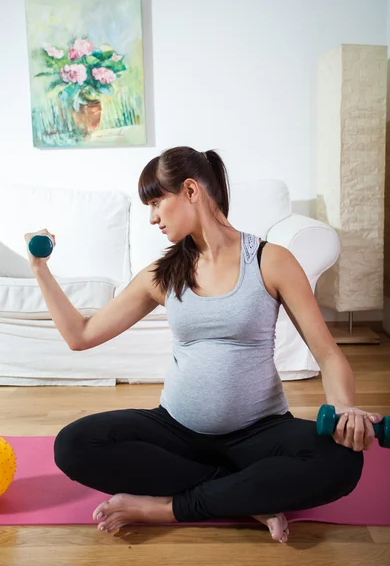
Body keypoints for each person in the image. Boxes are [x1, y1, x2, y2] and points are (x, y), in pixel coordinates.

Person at [25, 146, 383, 544]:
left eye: (157, 202)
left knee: (341, 462)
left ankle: (167, 508)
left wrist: (344, 407)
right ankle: (243, 494)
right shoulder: (162, 274)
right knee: (74, 445)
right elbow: (81, 335)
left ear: (191, 191)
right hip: (176, 433)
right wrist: (40, 269)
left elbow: (327, 353)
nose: (152, 217)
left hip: (260, 434)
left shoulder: (270, 260)